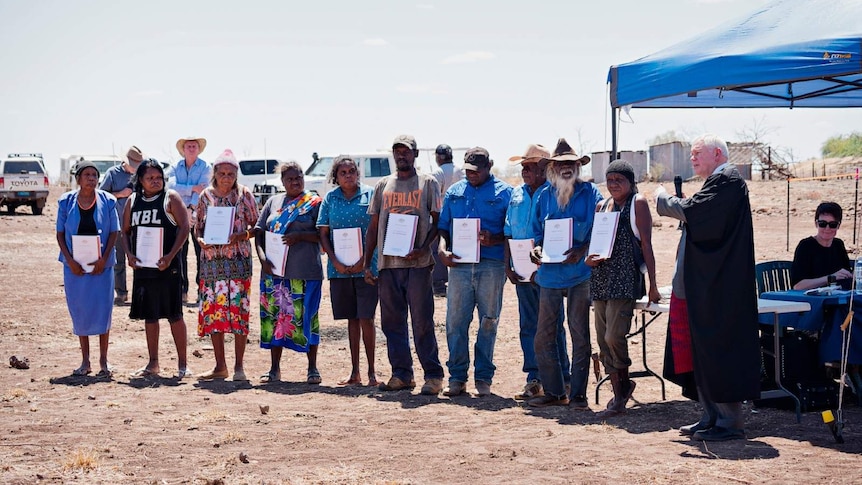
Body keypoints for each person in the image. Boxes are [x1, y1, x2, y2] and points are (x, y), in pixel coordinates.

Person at [656, 134, 760, 441]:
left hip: (719, 290)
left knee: (718, 350)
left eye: (697, 153)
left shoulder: (727, 181)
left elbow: (695, 212)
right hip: (707, 287)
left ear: (717, 153)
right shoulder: (719, 182)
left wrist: (664, 200)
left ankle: (728, 423)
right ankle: (711, 416)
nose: (692, 158)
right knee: (701, 351)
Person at [364, 134, 446, 395]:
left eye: (406, 151)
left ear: (416, 154)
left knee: (422, 321)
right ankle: (402, 373)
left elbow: (438, 221)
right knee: (392, 322)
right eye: (397, 151)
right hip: (389, 265)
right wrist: (368, 262)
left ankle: (433, 376)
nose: (402, 155)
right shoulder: (383, 186)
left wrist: (424, 247)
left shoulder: (427, 182)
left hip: (418, 264)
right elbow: (374, 226)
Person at [528, 138, 602, 409]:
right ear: (552, 169)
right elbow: (537, 234)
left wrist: (583, 248)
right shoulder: (543, 196)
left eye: (571, 163)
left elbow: (601, 229)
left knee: (579, 334)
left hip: (580, 275)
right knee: (544, 335)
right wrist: (535, 249)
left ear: (577, 166)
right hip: (549, 275)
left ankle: (579, 395)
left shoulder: (592, 194)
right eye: (561, 164)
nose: (567, 168)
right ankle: (554, 391)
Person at [585, 160, 661, 418]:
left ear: (630, 182)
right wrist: (589, 259)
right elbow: (596, 242)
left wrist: (652, 285)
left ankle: (622, 391)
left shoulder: (637, 204)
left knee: (613, 336)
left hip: (625, 280)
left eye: (620, 179)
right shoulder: (601, 206)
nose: (614, 184)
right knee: (601, 338)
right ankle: (619, 390)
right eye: (610, 179)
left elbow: (647, 246)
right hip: (602, 279)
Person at [437, 147, 512, 397]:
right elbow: (443, 230)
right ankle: (457, 378)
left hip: (491, 265)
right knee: (455, 322)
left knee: (488, 321)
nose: (472, 175)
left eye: (477, 171)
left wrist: (496, 238)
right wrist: (442, 250)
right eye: (468, 171)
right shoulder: (454, 192)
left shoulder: (505, 193)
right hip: (459, 265)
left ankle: (483, 378)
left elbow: (511, 233)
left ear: (489, 166)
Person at [504, 144, 571, 401]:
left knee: (553, 326)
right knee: (528, 325)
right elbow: (508, 231)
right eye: (522, 167)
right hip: (522, 270)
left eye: (529, 167)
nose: (524, 172)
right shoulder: (517, 194)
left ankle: (562, 379)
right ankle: (534, 379)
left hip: (548, 270)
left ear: (544, 168)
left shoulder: (554, 194)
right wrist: (507, 265)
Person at [255, 161, 324, 384]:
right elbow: (259, 233)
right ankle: (274, 369)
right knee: (276, 319)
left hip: (306, 271)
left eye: (299, 177)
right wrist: (263, 259)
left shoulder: (313, 203)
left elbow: (324, 235)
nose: (295, 182)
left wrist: (301, 237)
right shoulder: (273, 202)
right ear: (282, 182)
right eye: (290, 179)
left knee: (308, 317)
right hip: (275, 272)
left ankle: (312, 368)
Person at [193, 149, 259, 382]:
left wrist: (241, 235)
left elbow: (257, 226)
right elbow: (197, 226)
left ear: (236, 175)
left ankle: (239, 367)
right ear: (215, 174)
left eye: (231, 173)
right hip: (211, 264)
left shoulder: (245, 195)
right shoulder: (205, 197)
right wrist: (200, 239)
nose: (226, 178)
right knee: (215, 314)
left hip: (238, 263)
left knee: (239, 314)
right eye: (222, 173)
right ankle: (220, 366)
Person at [122, 159, 192, 379]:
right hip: (144, 267)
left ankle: (183, 365)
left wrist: (171, 256)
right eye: (150, 178)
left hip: (168, 267)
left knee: (175, 315)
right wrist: (129, 254)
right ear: (140, 180)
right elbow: (124, 231)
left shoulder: (170, 198)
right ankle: (153, 363)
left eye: (159, 177)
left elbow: (185, 227)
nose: (155, 181)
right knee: (150, 316)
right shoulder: (133, 201)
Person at [317, 156, 379, 387]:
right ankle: (355, 372)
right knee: (351, 319)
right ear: (336, 176)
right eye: (343, 172)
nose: (348, 175)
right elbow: (323, 232)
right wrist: (335, 260)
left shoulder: (371, 194)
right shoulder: (330, 199)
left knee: (367, 318)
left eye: (352, 171)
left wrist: (364, 261)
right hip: (339, 269)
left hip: (367, 268)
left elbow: (376, 228)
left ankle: (372, 372)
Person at [56, 162, 120, 377]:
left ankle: (104, 361)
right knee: (80, 311)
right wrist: (70, 260)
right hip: (75, 267)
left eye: (94, 174)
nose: (91, 178)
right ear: (78, 178)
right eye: (87, 174)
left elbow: (114, 232)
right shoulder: (66, 202)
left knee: (103, 311)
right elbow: (59, 234)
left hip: (102, 266)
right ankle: (85, 361)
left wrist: (104, 258)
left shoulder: (108, 201)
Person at [167, 136, 211, 304]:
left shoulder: (205, 167)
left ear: (198, 149)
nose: (192, 148)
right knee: (179, 253)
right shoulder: (175, 167)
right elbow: (171, 187)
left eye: (194, 146)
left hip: (199, 215)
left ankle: (202, 290)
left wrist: (191, 208)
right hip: (178, 215)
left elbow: (204, 189)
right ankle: (182, 289)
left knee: (201, 253)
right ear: (183, 149)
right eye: (189, 146)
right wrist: (192, 188)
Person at [100, 146, 143, 305]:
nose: (135, 167)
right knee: (118, 260)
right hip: (117, 223)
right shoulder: (113, 173)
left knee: (139, 260)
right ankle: (121, 293)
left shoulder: (141, 175)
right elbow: (101, 196)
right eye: (133, 163)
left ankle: (140, 293)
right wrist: (120, 194)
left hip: (138, 224)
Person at [790, 201, 852, 290]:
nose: (827, 228)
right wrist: (831, 278)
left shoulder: (838, 245)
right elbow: (798, 286)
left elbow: (847, 276)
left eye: (832, 225)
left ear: (838, 226)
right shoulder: (805, 246)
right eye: (822, 224)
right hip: (810, 301)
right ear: (816, 224)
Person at [431, 143, 464, 296]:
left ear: (438, 157)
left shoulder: (438, 172)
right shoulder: (460, 170)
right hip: (459, 215)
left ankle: (439, 285)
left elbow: (433, 195)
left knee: (439, 249)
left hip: (442, 214)